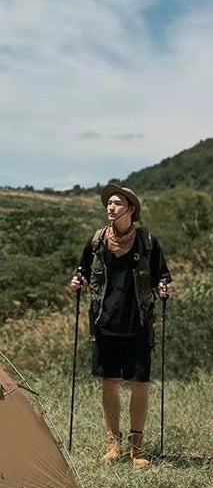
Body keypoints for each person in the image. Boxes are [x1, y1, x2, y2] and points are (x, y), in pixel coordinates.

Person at [70, 184, 173, 468]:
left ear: (131, 209)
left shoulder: (148, 242)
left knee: (140, 384)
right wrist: (77, 281)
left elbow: (163, 276)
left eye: (116, 203)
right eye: (109, 203)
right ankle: (113, 442)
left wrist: (165, 287)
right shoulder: (96, 241)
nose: (110, 207)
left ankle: (136, 446)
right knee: (110, 382)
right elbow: (82, 272)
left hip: (138, 323)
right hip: (105, 323)